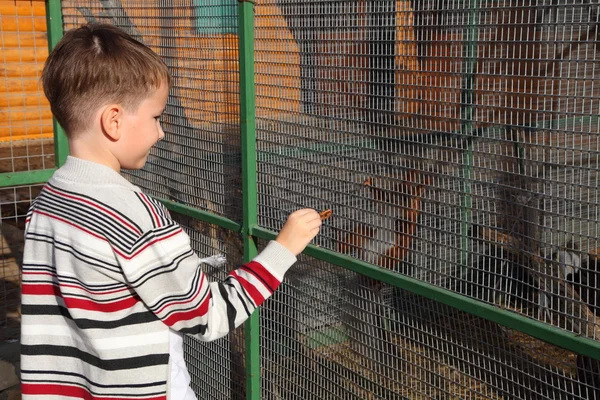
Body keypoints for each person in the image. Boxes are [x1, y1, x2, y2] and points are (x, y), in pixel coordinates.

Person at [20, 23, 321, 399]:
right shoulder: (135, 217)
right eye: (155, 117)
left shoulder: (45, 204)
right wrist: (284, 249)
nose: (161, 132)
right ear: (113, 121)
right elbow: (210, 316)